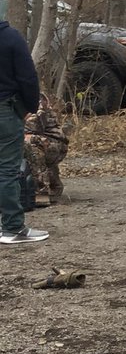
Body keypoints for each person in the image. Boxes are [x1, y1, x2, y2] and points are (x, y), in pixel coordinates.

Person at [0, 19, 47, 243]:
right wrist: (29, 106)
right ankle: (12, 228)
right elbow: (28, 77)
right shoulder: (11, 38)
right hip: (5, 111)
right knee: (7, 170)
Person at [24, 94, 68, 207]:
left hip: (53, 144)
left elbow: (32, 127)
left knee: (28, 142)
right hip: (38, 141)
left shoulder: (33, 97)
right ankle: (53, 182)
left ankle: (40, 191)